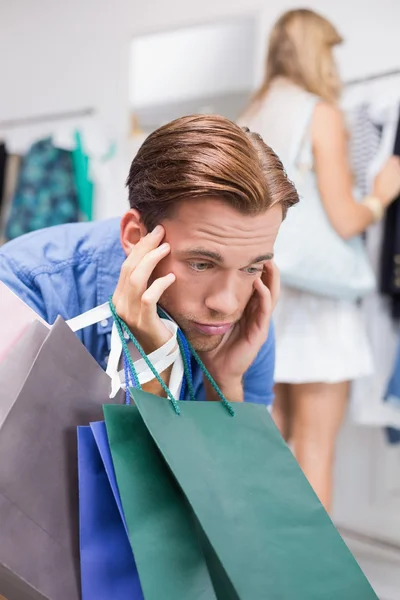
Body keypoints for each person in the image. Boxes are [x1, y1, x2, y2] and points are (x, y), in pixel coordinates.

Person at [0, 114, 298, 405]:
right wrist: (154, 367)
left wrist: (225, 384)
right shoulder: (25, 290)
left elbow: (247, 455)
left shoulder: (242, 309)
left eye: (251, 266)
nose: (227, 304)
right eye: (201, 264)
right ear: (134, 236)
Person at [239, 9, 400, 510]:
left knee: (272, 438)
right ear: (317, 53)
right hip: (319, 301)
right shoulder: (320, 114)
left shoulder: (250, 114)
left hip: (266, 295)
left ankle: (259, 567)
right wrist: (381, 196)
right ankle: (310, 580)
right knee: (315, 447)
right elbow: (346, 218)